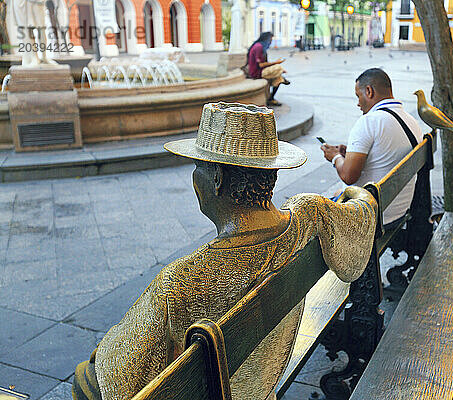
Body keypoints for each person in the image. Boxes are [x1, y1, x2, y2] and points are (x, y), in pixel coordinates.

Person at [72, 102, 378, 400]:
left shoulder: (181, 281)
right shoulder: (311, 214)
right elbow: (360, 218)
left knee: (84, 377)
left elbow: (116, 384)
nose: (195, 180)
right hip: (263, 383)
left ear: (216, 179)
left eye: (198, 168)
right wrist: (360, 193)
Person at [320, 68, 423, 227]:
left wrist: (335, 157)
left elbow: (348, 176)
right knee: (334, 195)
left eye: (358, 96)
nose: (358, 103)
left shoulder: (369, 122)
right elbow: (383, 154)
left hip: (371, 217)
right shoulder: (410, 120)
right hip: (398, 210)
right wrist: (349, 154)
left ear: (369, 91)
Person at [247, 32, 290, 107]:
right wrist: (276, 62)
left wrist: (275, 64)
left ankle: (271, 99)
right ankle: (281, 75)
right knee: (278, 67)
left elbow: (264, 63)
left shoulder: (261, 47)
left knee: (279, 78)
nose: (271, 42)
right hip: (257, 73)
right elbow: (261, 65)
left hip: (261, 71)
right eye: (270, 40)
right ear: (266, 39)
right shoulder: (258, 47)